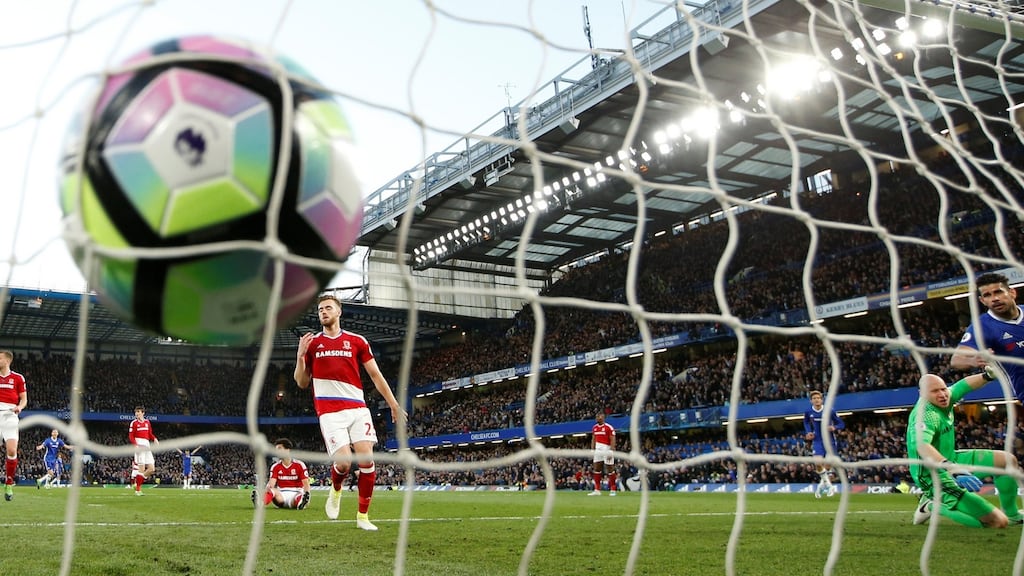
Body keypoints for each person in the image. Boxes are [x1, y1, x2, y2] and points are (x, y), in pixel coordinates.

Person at [294, 294, 406, 530]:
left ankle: (362, 517)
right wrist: (300, 357)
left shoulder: (357, 341)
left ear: (338, 312)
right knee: (344, 464)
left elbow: (375, 375)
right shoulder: (313, 344)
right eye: (320, 309)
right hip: (329, 411)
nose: (323, 312)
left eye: (328, 308)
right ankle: (336, 490)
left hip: (357, 408)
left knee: (366, 459)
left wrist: (394, 404)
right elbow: (302, 382)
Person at [907, 367, 1022, 528]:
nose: (942, 394)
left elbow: (963, 385)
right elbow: (922, 445)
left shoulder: (946, 397)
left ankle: (1013, 515)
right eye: (935, 391)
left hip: (951, 459)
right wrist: (952, 468)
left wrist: (987, 376)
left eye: (943, 389)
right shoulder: (926, 414)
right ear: (922, 393)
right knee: (998, 522)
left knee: (1007, 460)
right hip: (932, 475)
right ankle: (932, 505)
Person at [950, 272, 1023, 401]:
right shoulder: (983, 326)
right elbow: (956, 360)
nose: (994, 298)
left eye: (998, 292)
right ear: (982, 301)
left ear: (1012, 293)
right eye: (987, 295)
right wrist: (972, 361)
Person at [803, 390, 845, 498]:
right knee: (817, 462)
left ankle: (821, 486)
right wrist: (809, 432)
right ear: (811, 401)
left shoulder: (829, 410)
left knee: (827, 466)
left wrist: (834, 427)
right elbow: (806, 422)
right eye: (814, 398)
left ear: (822, 400)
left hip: (830, 440)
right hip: (817, 440)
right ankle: (830, 486)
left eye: (818, 398)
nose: (817, 400)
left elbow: (841, 423)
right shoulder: (808, 411)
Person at [252, 438, 311, 510]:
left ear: (288, 449)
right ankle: (260, 503)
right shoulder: (275, 466)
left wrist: (308, 494)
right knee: (272, 490)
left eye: (279, 448)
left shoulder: (299, 465)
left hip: (296, 492)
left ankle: (301, 502)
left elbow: (306, 484)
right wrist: (266, 490)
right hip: (280, 495)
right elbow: (271, 484)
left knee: (300, 496)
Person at [0, 350, 27, 501]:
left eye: (0, 358)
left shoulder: (17, 378)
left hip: (10, 414)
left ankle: (9, 482)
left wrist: (20, 407)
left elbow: (24, 399)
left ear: (7, 361)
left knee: (11, 450)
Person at [128, 406, 159, 496]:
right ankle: (138, 490)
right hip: (139, 447)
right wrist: (136, 445)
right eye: (135, 412)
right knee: (141, 469)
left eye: (138, 412)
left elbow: (149, 434)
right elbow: (131, 436)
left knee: (151, 469)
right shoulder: (133, 423)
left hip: (147, 446)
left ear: (143, 413)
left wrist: (155, 439)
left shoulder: (147, 422)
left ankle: (137, 483)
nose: (137, 414)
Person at [588, 411, 617, 496]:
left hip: (606, 449)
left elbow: (612, 439)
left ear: (603, 417)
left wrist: (611, 450)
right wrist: (592, 449)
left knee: (610, 468)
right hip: (598, 450)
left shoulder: (609, 427)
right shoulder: (595, 428)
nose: (597, 418)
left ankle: (613, 489)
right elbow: (593, 439)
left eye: (599, 416)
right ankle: (597, 490)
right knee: (597, 468)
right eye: (596, 416)